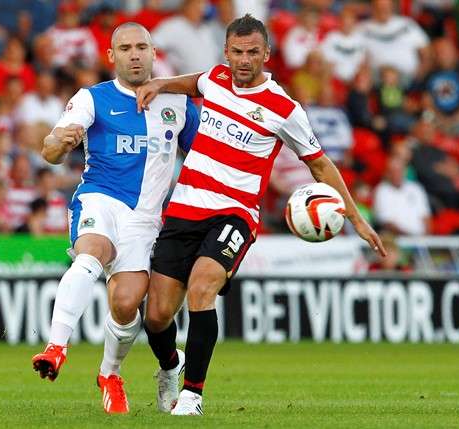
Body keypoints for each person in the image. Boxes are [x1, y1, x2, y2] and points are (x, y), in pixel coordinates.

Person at [135, 14, 385, 416]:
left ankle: (192, 396)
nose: (244, 60)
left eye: (253, 52)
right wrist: (160, 83)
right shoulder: (216, 78)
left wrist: (356, 219)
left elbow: (320, 166)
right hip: (184, 208)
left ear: (267, 53)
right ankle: (170, 365)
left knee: (202, 287)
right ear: (226, 52)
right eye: (237, 52)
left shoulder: (284, 108)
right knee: (157, 316)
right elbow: (195, 82)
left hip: (234, 214)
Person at [30, 22, 199, 415]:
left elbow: (203, 158)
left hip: (145, 220)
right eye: (125, 48)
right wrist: (59, 143)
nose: (134, 54)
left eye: (141, 47)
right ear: (111, 56)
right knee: (90, 254)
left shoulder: (177, 104)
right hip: (100, 200)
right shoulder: (92, 98)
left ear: (154, 53)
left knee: (125, 305)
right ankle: (56, 347)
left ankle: (109, 374)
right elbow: (50, 149)